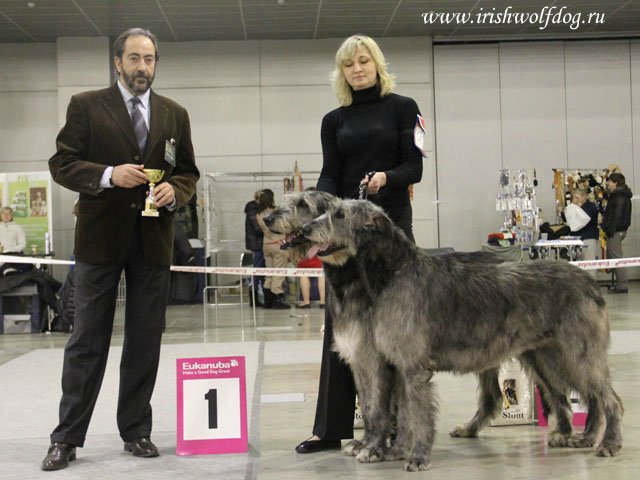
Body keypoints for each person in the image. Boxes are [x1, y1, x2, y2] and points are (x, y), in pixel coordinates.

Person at [42, 28, 199, 471]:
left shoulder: (174, 114)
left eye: (149, 60)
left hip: (153, 243)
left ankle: (137, 431)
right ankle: (66, 437)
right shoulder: (86, 106)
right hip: (99, 240)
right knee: (87, 340)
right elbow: (62, 163)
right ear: (117, 62)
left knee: (145, 341)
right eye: (134, 59)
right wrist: (110, 174)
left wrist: (175, 190)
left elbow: (188, 172)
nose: (142, 68)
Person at [295, 34, 423, 454]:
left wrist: (387, 177)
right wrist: (319, 198)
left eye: (364, 61)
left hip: (388, 233)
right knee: (343, 330)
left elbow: (414, 167)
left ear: (377, 64)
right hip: (342, 233)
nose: (358, 69)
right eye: (349, 65)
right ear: (342, 72)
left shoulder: (404, 108)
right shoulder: (333, 120)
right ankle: (330, 430)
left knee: (395, 332)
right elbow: (332, 171)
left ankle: (403, 428)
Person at [256, 189, 291, 309]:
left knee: (269, 273)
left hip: (266, 244)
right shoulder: (276, 212)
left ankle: (267, 302)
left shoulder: (258, 214)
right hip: (278, 244)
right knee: (279, 272)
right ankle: (277, 300)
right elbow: (283, 226)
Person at [602, 172, 633, 294]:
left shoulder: (619, 197)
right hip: (617, 231)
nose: (607, 183)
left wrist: (609, 229)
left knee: (617, 258)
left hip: (616, 231)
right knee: (613, 257)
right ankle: (620, 283)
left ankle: (622, 285)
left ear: (615, 182)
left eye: (609, 181)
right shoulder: (618, 195)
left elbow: (617, 216)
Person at [569, 189, 600, 274]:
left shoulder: (590, 206)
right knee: (579, 267)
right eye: (574, 197)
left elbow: (581, 220)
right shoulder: (574, 207)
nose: (575, 199)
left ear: (583, 197)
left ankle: (591, 285)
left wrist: (577, 207)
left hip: (588, 238)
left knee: (589, 264)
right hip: (577, 239)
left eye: (577, 197)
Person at [244, 190, 265, 306]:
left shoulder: (254, 209)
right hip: (257, 244)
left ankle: (258, 298)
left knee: (259, 272)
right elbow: (257, 228)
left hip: (259, 244)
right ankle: (254, 298)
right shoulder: (253, 209)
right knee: (256, 272)